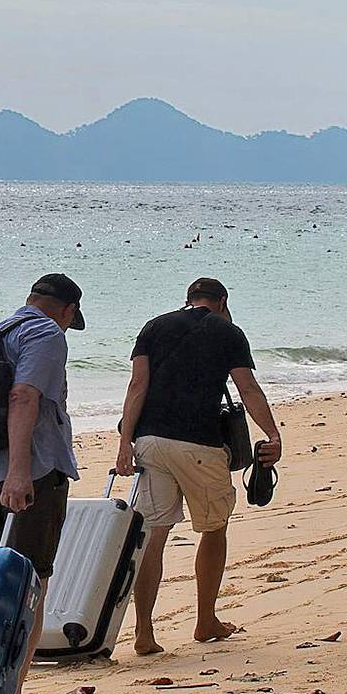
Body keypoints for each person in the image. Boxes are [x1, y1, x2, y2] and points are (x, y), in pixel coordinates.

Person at [116, 278, 281, 651]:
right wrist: (272, 434)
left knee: (154, 536)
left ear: (187, 300)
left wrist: (125, 443)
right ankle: (206, 620)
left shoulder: (154, 326)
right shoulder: (229, 332)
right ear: (222, 301)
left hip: (150, 442)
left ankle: (144, 632)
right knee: (213, 527)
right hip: (200, 444)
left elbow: (137, 386)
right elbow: (247, 389)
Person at [0, 273, 84, 694]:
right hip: (28, 476)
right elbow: (24, 395)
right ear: (68, 311)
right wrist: (18, 471)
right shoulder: (47, 333)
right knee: (31, 585)